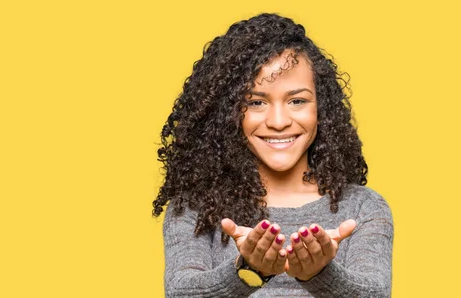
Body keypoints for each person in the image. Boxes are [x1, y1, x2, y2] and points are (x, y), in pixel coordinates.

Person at [152, 13, 393, 297]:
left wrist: (319, 274)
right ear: (226, 113)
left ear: (321, 109)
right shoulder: (196, 208)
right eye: (255, 102)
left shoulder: (363, 208)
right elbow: (180, 293)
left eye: (297, 101)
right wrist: (249, 271)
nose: (278, 121)